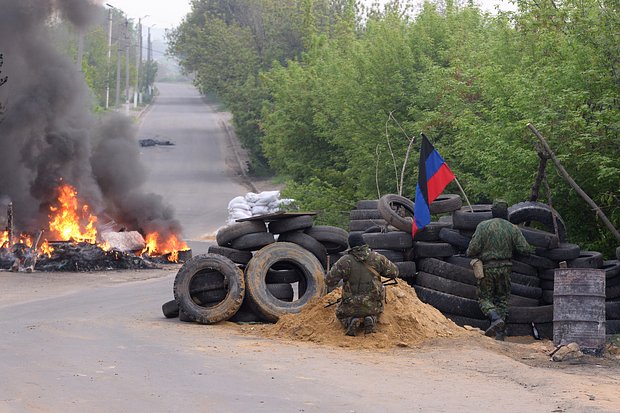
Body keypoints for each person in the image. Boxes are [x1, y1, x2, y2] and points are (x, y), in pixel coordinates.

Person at [466, 199, 533, 340]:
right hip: (505, 268)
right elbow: (525, 249)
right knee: (502, 299)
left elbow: (472, 250)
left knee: (485, 298)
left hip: (488, 268)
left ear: (492, 212)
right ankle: (500, 334)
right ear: (506, 212)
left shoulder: (483, 226)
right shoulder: (512, 228)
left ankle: (495, 318)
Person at [326, 232, 399, 336]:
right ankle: (371, 319)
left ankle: (351, 321)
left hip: (350, 306)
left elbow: (329, 281)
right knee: (377, 311)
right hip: (372, 305)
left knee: (340, 313)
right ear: (364, 243)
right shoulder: (377, 258)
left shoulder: (344, 261)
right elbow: (394, 272)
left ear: (350, 245)